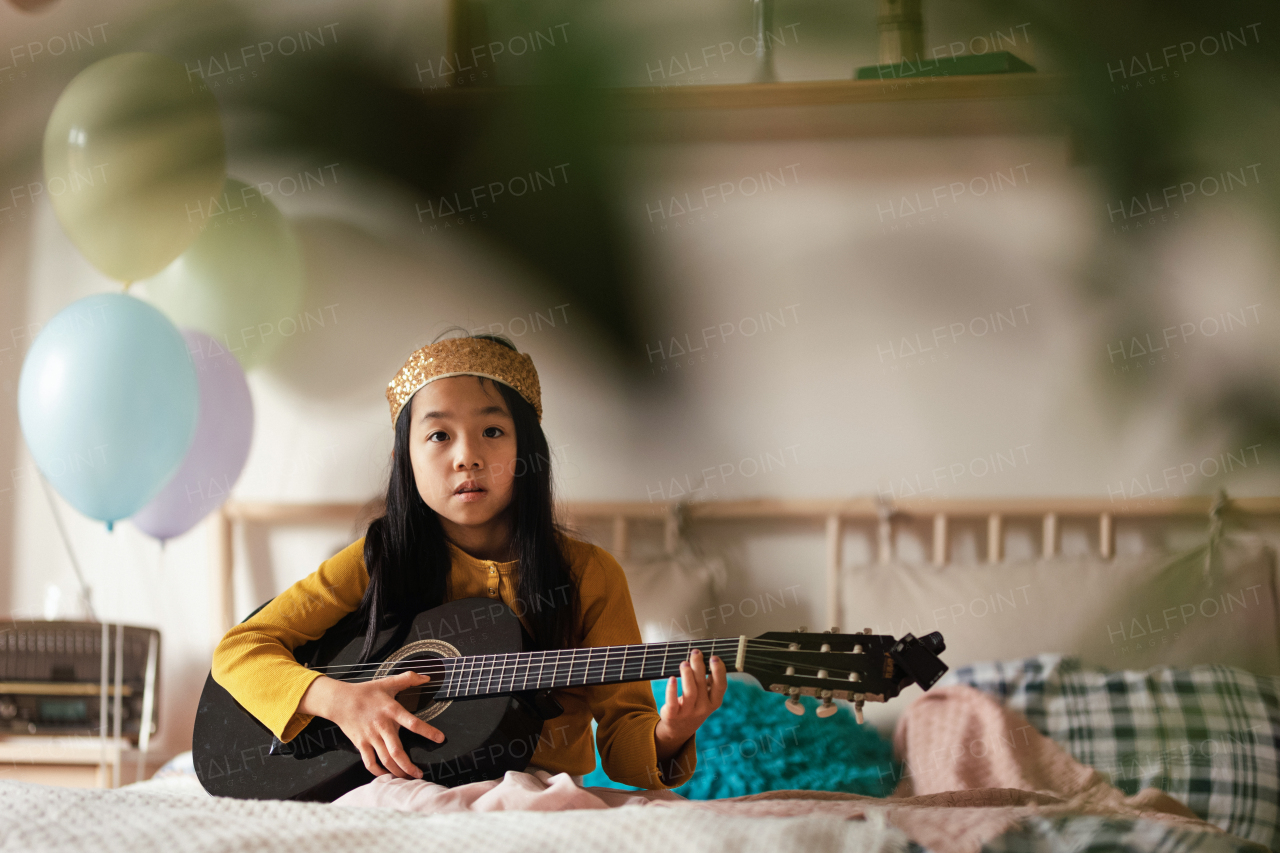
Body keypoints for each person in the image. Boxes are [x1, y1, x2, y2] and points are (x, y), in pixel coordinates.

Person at [211, 333, 726, 790]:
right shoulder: (380, 559)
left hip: (536, 792)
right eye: (439, 435)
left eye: (493, 432)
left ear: (530, 452)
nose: (467, 456)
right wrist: (338, 700)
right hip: (392, 785)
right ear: (404, 460)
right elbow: (240, 649)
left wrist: (671, 731)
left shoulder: (589, 574)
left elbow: (622, 746)